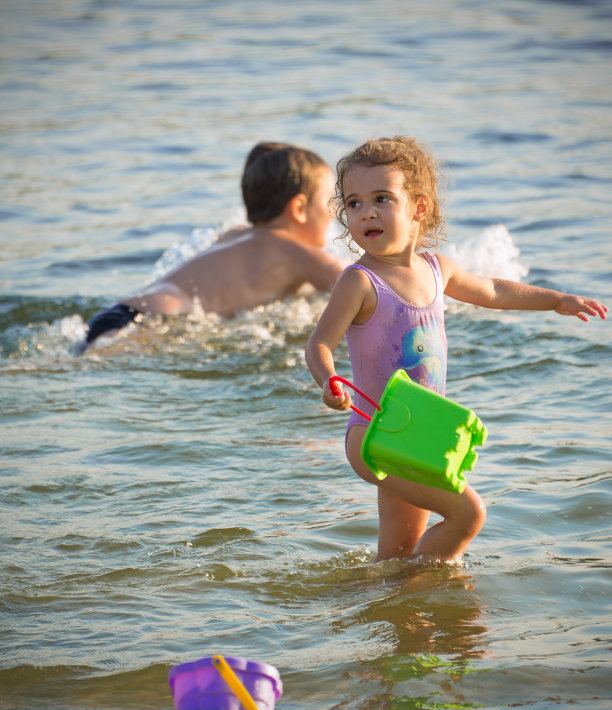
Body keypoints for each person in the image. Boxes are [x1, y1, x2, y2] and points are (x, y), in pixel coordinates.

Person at [305, 136, 608, 564]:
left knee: (397, 551)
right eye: (353, 203)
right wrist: (328, 381)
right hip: (375, 434)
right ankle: (424, 587)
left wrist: (556, 300)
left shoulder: (437, 268)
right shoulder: (359, 282)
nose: (366, 211)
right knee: (468, 513)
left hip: (421, 432)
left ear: (419, 208)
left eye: (382, 198)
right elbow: (319, 342)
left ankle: (385, 602)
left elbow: (494, 290)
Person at [80, 142, 343, 349]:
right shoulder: (303, 257)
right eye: (330, 200)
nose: (335, 212)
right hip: (159, 323)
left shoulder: (233, 235)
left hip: (118, 313)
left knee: (80, 361)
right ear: (299, 208)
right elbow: (360, 291)